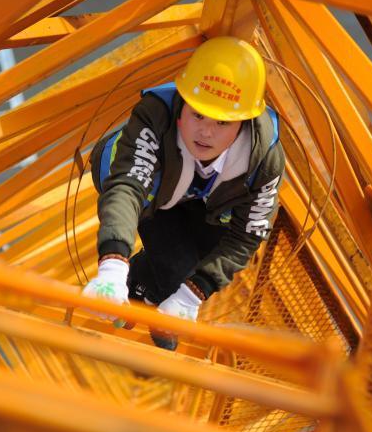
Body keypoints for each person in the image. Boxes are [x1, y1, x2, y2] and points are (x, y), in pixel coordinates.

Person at [82, 36, 285, 350]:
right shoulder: (155, 116)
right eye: (198, 114)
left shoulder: (264, 159)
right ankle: (139, 283)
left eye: (222, 122)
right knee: (177, 266)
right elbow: (127, 189)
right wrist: (112, 264)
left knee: (210, 247)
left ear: (243, 124)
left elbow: (247, 235)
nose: (206, 132)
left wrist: (193, 294)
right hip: (145, 188)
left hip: (195, 198)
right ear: (181, 106)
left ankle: (144, 285)